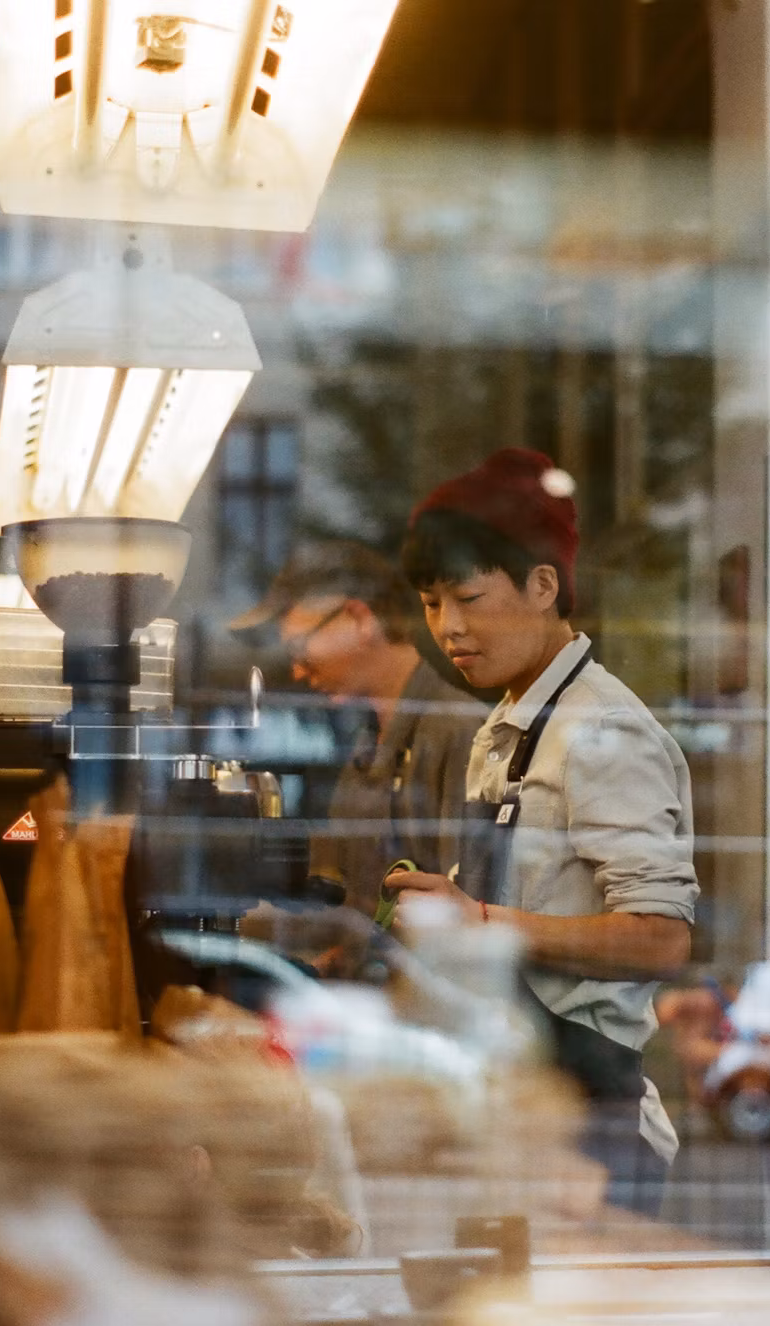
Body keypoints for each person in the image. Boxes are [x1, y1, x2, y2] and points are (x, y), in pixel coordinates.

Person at [385, 448, 697, 1216]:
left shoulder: (603, 730)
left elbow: (661, 938)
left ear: (544, 585)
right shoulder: (517, 719)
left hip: (588, 1128)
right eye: (431, 603)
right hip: (522, 1106)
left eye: (468, 597)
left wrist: (482, 923)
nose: (448, 628)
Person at [230, 542, 483, 922]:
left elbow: (465, 917)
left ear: (359, 618)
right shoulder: (368, 745)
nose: (298, 671)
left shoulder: (461, 731)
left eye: (299, 648)